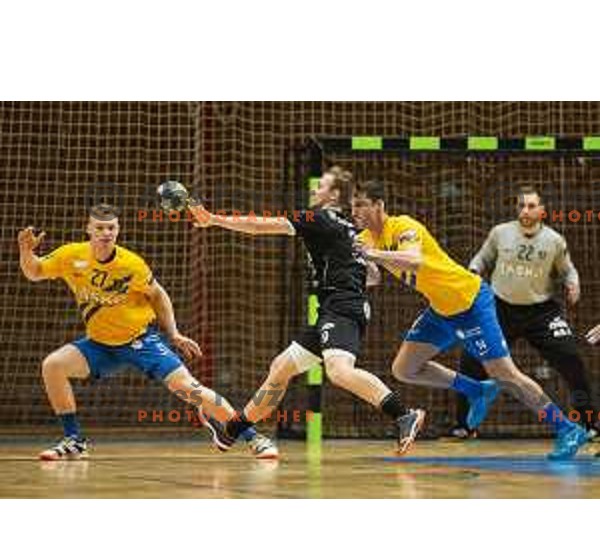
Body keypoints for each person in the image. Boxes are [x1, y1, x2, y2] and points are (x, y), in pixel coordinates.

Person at [189, 167, 425, 455]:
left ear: (335, 194)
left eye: (321, 186)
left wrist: (214, 219)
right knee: (281, 368)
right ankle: (231, 431)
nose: (315, 190)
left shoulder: (318, 217)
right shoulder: (352, 229)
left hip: (340, 307)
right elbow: (373, 277)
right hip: (339, 307)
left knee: (338, 371)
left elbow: (261, 225)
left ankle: (404, 414)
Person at [18, 203, 277, 460]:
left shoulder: (131, 264)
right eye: (100, 228)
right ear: (89, 229)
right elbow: (34, 272)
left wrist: (174, 333)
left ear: (118, 230)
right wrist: (25, 251)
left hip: (140, 341)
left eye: (111, 227)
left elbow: (159, 295)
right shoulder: (70, 255)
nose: (106, 233)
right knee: (53, 365)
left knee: (189, 388)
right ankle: (74, 440)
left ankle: (253, 437)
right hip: (99, 345)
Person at [351, 180, 589, 460]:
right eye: (352, 205)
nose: (354, 211)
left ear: (379, 205)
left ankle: (567, 428)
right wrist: (356, 266)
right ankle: (477, 390)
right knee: (405, 368)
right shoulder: (365, 238)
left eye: (360, 205)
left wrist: (372, 254)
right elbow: (374, 277)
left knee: (506, 374)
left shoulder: (404, 226)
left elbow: (413, 260)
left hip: (470, 301)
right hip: (441, 310)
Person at [451, 186, 599, 439]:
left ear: (542, 211)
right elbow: (481, 259)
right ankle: (465, 426)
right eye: (521, 205)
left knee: (572, 360)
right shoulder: (500, 233)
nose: (525, 211)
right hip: (499, 309)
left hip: (541, 313)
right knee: (471, 358)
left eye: (531, 206)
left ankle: (589, 424)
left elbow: (569, 270)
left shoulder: (554, 240)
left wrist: (573, 282)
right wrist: (473, 272)